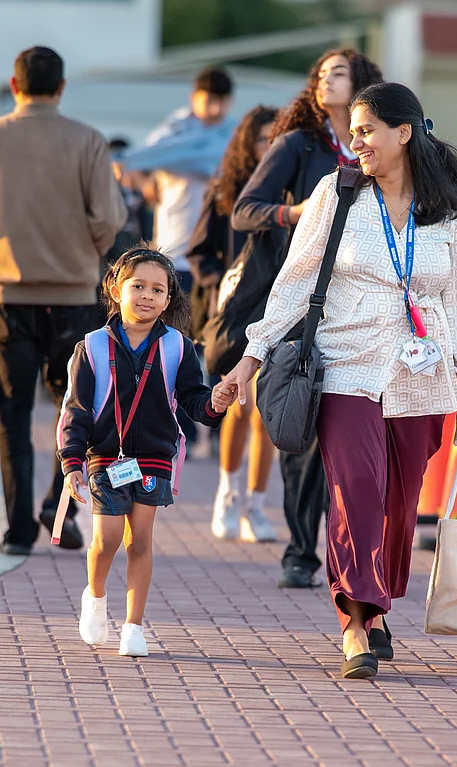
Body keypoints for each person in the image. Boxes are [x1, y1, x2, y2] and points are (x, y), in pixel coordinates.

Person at [220, 82, 457, 679]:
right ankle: (355, 623)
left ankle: (377, 604)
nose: (356, 142)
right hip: (347, 364)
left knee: (399, 505)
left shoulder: (452, 209)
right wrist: (250, 358)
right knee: (356, 493)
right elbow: (294, 283)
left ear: (405, 132)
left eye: (367, 130)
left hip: (421, 377)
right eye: (352, 132)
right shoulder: (337, 193)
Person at [0, 45, 128, 556]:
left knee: (13, 412)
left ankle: (19, 530)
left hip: (6, 295)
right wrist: (78, 251)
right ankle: (57, 504)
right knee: (75, 409)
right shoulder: (88, 141)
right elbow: (109, 221)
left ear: (15, 84)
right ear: (61, 87)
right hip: (72, 296)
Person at [230, 48, 383, 588]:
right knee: (302, 425)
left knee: (355, 436)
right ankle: (300, 550)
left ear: (362, 82)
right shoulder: (299, 143)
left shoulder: (380, 145)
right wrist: (301, 211)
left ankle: (357, 558)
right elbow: (244, 209)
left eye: (338, 73)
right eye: (319, 74)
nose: (325, 82)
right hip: (305, 303)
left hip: (369, 308)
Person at [57, 245, 233, 657]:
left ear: (169, 299)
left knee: (140, 541)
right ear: (116, 289)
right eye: (138, 286)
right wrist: (71, 461)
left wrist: (216, 403)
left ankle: (133, 626)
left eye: (158, 289)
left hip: (155, 456)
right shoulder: (93, 346)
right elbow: (76, 409)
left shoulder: (177, 346)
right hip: (105, 455)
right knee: (107, 539)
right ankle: (95, 598)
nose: (147, 296)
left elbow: (193, 400)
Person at [116, 66, 236, 459]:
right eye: (207, 99)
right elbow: (132, 165)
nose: (214, 108)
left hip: (216, 257)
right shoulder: (174, 133)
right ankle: (178, 426)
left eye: (220, 101)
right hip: (173, 256)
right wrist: (149, 183)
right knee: (174, 344)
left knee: (219, 341)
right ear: (194, 96)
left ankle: (216, 429)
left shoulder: (231, 136)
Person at [187, 105, 279, 542]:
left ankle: (256, 507)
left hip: (282, 312)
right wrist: (218, 282)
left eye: (276, 140)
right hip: (235, 315)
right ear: (247, 143)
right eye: (263, 140)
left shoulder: (292, 192)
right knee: (237, 408)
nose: (270, 148)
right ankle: (227, 494)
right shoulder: (227, 189)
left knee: (267, 415)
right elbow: (199, 250)